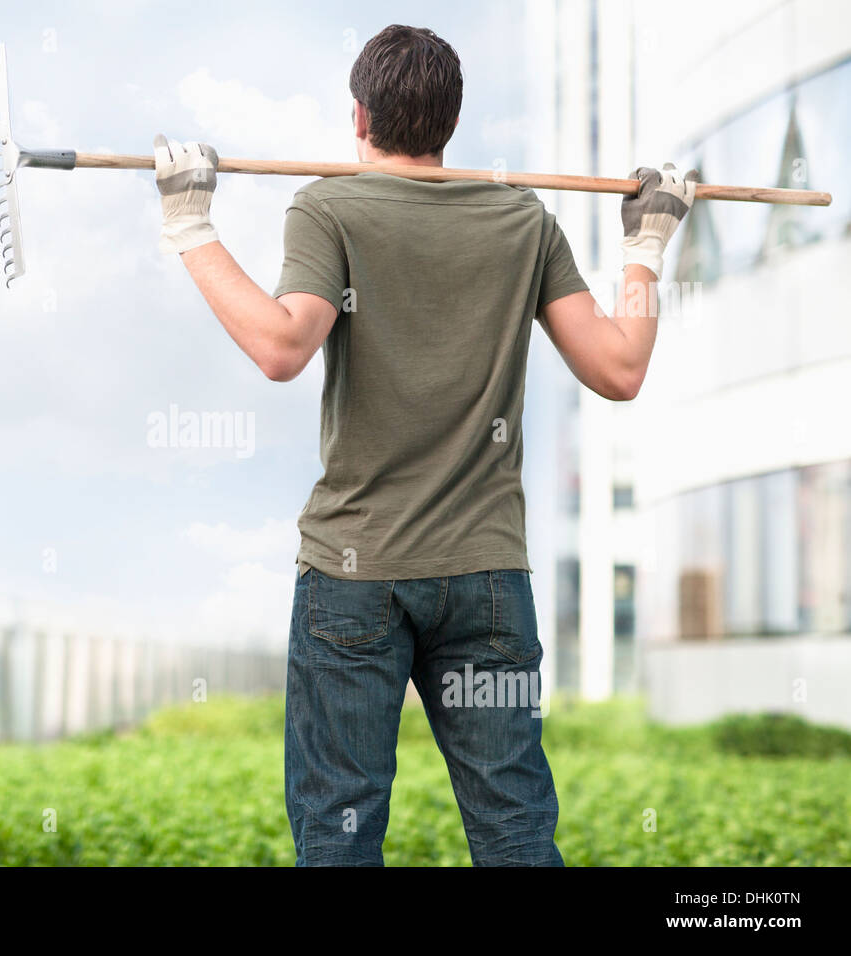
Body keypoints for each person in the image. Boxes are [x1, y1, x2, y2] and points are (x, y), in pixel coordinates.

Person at [153, 23, 696, 866]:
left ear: (359, 115)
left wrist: (191, 226)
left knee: (340, 829)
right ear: (450, 120)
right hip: (486, 582)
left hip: (353, 579)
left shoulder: (330, 207)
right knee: (514, 828)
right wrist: (647, 247)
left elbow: (280, 347)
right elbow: (620, 369)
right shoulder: (525, 220)